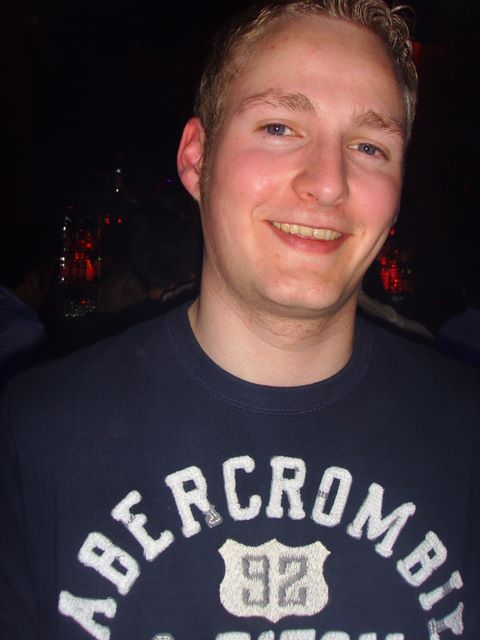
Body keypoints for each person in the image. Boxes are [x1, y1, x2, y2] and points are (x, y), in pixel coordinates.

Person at [0, 1, 478, 639]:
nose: (328, 183)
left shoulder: (468, 436)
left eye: (369, 145)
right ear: (197, 158)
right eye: (279, 127)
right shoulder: (35, 435)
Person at [0, 221, 56, 387]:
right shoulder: (25, 329)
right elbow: (17, 393)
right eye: (50, 277)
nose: (48, 290)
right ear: (33, 280)